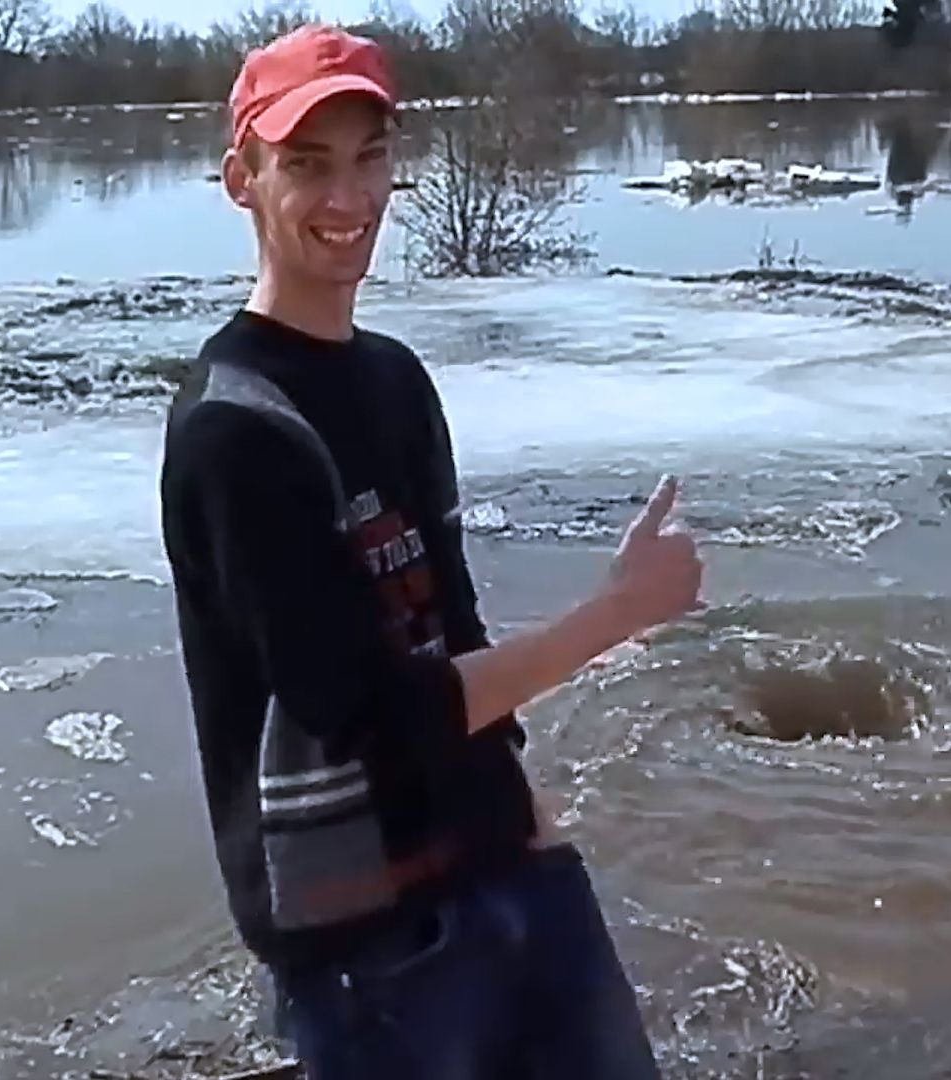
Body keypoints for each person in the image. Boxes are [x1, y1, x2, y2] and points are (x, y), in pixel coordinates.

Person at [158, 23, 703, 1080]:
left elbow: (448, 627)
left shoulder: (396, 382)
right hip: (363, 940)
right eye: (306, 166)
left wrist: (526, 811)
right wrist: (615, 614)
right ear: (242, 180)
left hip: (502, 860)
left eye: (369, 160)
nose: (347, 200)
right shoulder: (236, 430)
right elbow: (368, 714)